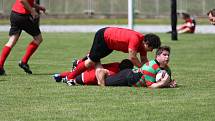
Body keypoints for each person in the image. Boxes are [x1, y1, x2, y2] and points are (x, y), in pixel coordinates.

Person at [64, 27, 161, 84]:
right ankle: (69, 78)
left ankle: (77, 63)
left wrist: (153, 70)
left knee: (93, 58)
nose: (152, 50)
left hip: (110, 45)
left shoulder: (143, 46)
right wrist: (142, 69)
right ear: (146, 43)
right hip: (104, 37)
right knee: (91, 62)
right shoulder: (135, 39)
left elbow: (144, 60)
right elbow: (132, 58)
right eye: (152, 48)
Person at [0, 0, 46, 75]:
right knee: (38, 38)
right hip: (23, 16)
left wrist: (38, 7)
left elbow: (28, 1)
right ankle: (24, 62)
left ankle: (0, 66)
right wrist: (32, 11)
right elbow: (23, 0)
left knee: (11, 41)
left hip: (15, 14)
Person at [103, 46, 177, 88]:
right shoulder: (150, 67)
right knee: (104, 82)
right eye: (164, 55)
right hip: (128, 76)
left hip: (132, 74)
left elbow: (166, 82)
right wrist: (164, 82)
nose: (167, 57)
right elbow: (151, 86)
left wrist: (170, 83)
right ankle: (100, 71)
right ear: (157, 56)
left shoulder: (167, 69)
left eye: (168, 55)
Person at [53, 59, 134, 86]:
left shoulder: (116, 64)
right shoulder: (115, 74)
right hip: (86, 79)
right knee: (76, 79)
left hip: (89, 70)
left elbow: (103, 65)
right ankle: (67, 80)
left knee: (73, 73)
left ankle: (59, 75)